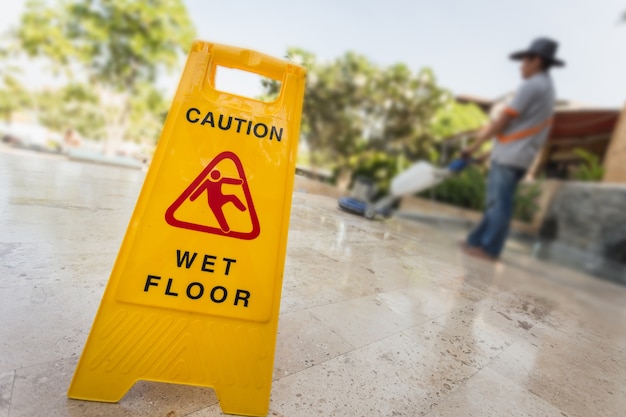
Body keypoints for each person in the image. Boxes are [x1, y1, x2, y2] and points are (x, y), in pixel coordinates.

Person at [462, 37, 565, 261]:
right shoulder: (547, 89)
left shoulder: (533, 85)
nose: (521, 66)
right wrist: (486, 154)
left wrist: (472, 147)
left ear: (537, 61)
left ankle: (490, 249)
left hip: (511, 157)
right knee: (495, 202)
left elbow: (502, 122)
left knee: (499, 203)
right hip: (515, 155)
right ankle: (476, 241)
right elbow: (522, 132)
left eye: (525, 61)